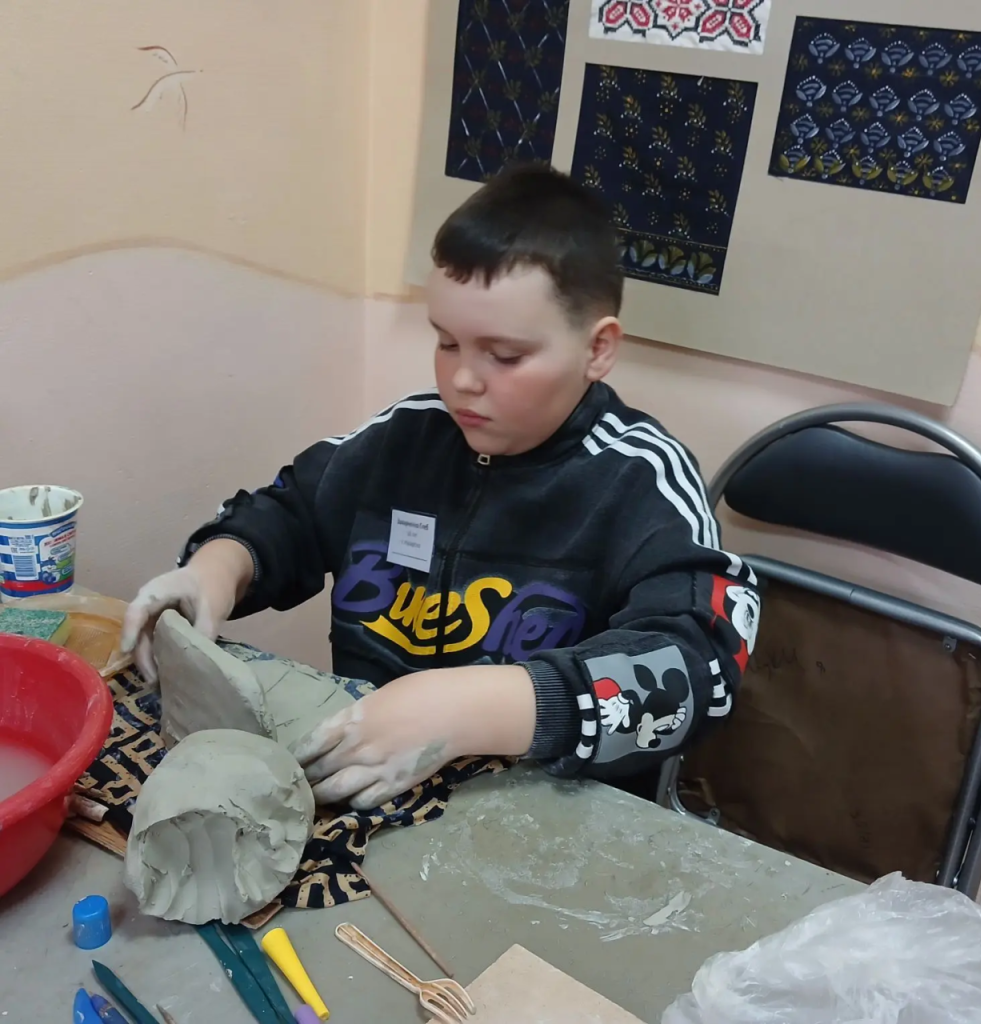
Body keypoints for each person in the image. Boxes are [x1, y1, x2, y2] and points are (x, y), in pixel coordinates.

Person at [121, 165, 759, 810]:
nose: (463, 381)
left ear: (597, 349)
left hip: (544, 813)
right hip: (373, 789)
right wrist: (216, 569)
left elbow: (699, 666)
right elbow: (289, 512)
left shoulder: (640, 480)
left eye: (504, 356)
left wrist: (471, 708)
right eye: (447, 343)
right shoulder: (404, 439)